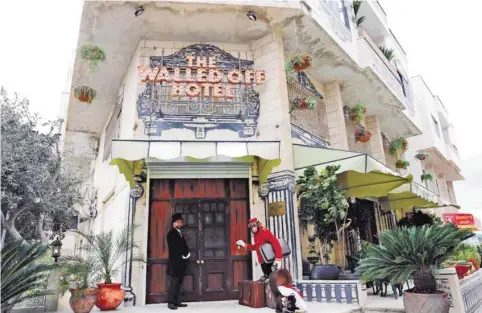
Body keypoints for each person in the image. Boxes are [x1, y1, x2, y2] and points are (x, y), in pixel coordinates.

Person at [166, 213, 190, 310]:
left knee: (179, 283)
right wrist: (184, 254)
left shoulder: (180, 233)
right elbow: (175, 248)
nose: (180, 223)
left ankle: (177, 301)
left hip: (181, 263)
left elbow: (184, 245)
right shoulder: (171, 234)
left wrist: (187, 253)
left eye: (181, 222)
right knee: (174, 283)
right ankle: (171, 302)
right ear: (174, 223)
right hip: (175, 263)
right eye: (178, 222)